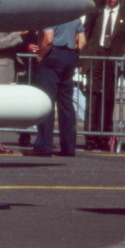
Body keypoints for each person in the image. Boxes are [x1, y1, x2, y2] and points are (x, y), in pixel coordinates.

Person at [83, 0, 125, 151]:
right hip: (96, 56)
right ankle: (90, 135)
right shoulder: (97, 12)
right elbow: (85, 34)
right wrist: (83, 60)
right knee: (93, 96)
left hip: (114, 59)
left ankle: (104, 135)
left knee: (108, 98)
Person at [32, 18, 85, 157]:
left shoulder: (53, 13)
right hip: (70, 55)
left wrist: (40, 56)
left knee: (47, 101)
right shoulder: (75, 16)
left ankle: (45, 145)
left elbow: (49, 39)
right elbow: (82, 41)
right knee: (66, 103)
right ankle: (68, 147)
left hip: (53, 55)